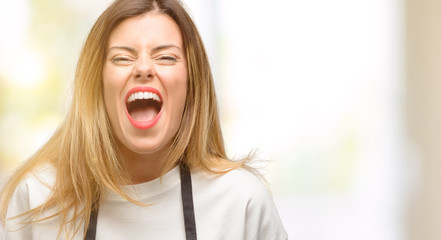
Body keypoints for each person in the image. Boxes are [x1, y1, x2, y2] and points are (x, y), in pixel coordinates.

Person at [0, 0, 288, 239]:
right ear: (98, 85)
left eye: (166, 57)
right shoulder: (35, 199)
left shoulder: (241, 203)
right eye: (122, 58)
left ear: (192, 85)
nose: (143, 67)